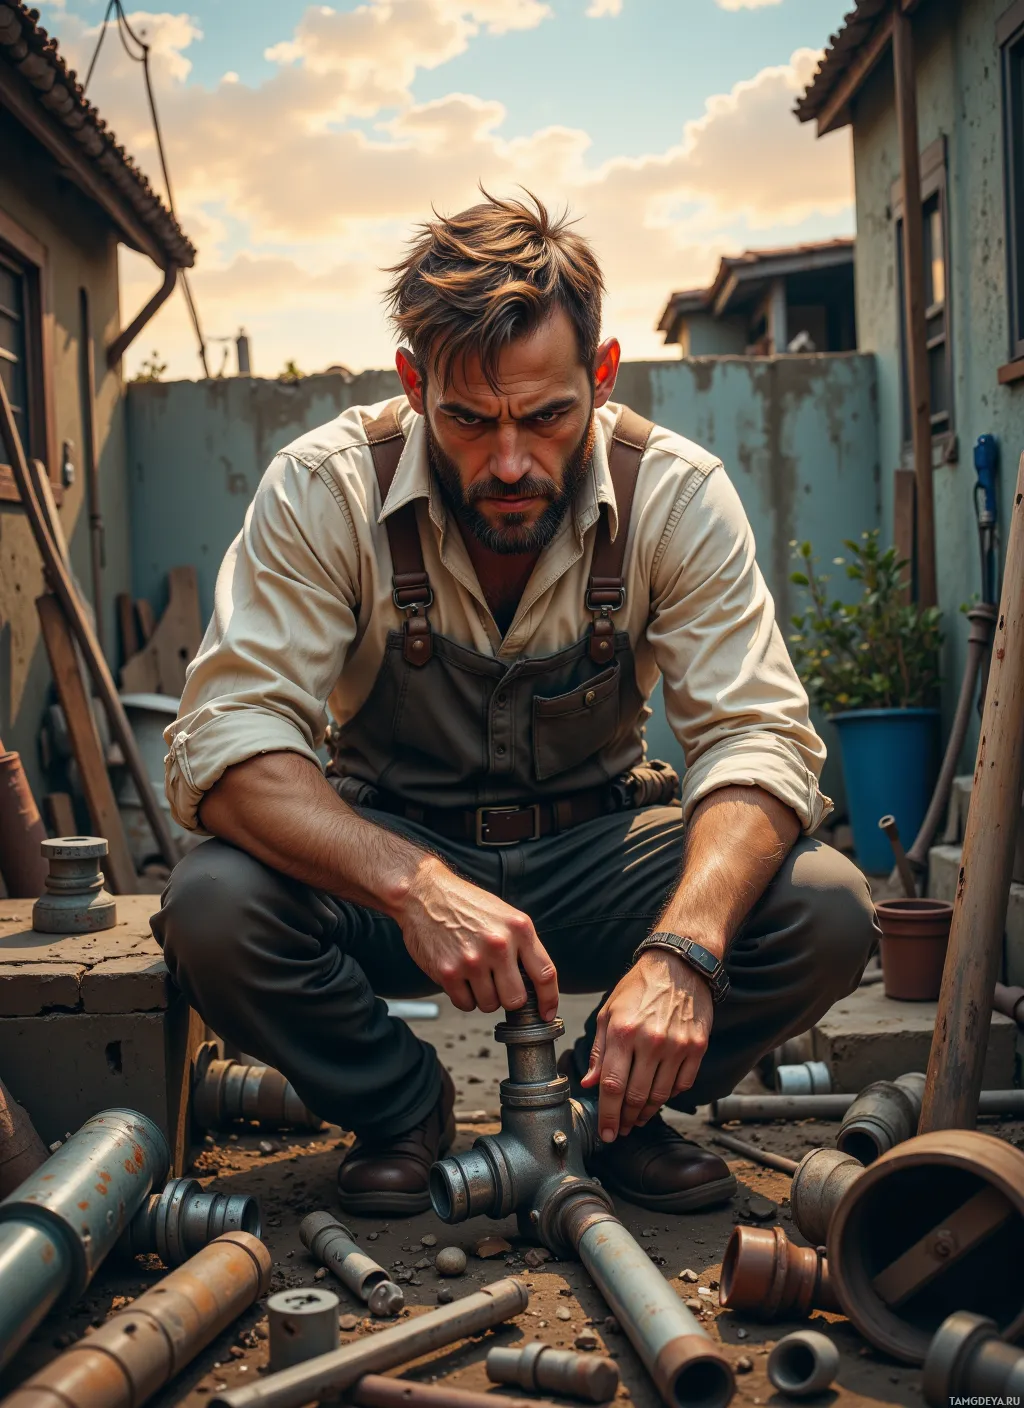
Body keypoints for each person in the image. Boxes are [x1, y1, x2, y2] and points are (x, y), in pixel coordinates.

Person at [155, 192, 876, 1217]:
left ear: (601, 374)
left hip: (597, 856)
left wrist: (680, 955)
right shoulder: (323, 488)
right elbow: (225, 742)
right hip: (387, 858)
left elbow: (757, 738)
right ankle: (402, 1109)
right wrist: (413, 885)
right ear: (413, 386)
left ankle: (604, 1112)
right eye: (467, 419)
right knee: (211, 906)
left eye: (545, 416)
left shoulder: (674, 494)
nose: (508, 462)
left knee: (826, 907)